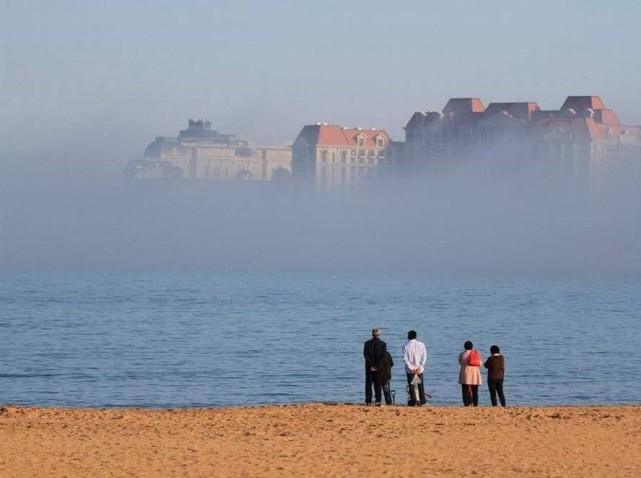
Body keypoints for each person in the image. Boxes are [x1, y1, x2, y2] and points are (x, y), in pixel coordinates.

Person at [402, 330, 427, 406]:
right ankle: (422, 400)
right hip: (419, 369)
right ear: (416, 336)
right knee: (420, 384)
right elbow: (424, 357)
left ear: (408, 337)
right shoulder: (422, 345)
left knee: (411, 385)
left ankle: (414, 400)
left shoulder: (405, 346)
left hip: (410, 370)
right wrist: (420, 366)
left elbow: (405, 359)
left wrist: (411, 368)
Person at [363, 328, 387, 406]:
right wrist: (376, 365)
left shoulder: (367, 343)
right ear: (379, 335)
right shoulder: (383, 344)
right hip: (379, 367)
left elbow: (365, 355)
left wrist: (371, 365)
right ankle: (378, 401)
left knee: (368, 384)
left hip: (369, 367)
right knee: (378, 385)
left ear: (372, 334)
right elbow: (383, 356)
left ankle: (368, 401)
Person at [458, 340, 482, 406]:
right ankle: (475, 404)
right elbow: (480, 363)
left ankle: (466, 404)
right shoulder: (475, 353)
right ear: (472, 347)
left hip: (465, 372)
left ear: (464, 347)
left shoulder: (461, 354)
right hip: (475, 373)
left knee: (464, 390)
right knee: (475, 390)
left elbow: (460, 363)